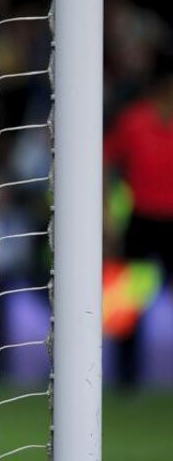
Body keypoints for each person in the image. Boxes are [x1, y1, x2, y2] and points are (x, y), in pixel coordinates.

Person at [104, 46, 173, 387]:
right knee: (128, 306)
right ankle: (126, 380)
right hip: (142, 221)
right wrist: (107, 215)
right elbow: (104, 163)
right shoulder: (134, 121)